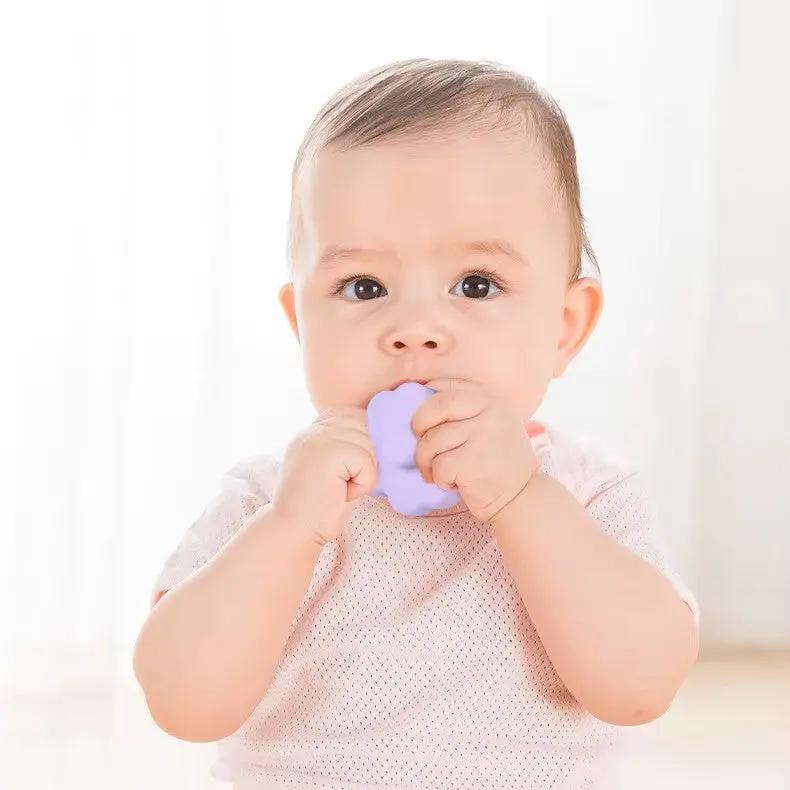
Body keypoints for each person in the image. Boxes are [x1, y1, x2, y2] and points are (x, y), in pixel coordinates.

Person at [133, 57, 700, 789]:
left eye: (476, 284)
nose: (415, 329)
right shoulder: (269, 497)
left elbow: (640, 686)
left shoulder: (590, 493)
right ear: (301, 322)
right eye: (363, 286)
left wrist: (523, 500)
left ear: (564, 327)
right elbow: (185, 704)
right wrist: (288, 529)